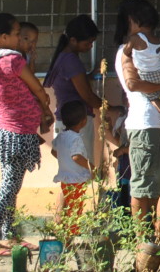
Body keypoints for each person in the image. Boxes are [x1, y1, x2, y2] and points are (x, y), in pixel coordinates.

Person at [0, 14, 54, 257]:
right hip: (16, 134)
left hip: (5, 130)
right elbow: (37, 89)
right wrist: (44, 107)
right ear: (4, 37)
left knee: (12, 187)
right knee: (9, 187)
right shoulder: (11, 60)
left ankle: (8, 235)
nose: (20, 38)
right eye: (17, 33)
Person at [114, 0, 160, 231]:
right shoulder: (126, 50)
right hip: (144, 125)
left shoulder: (159, 45)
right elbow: (133, 84)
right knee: (145, 188)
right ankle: (143, 240)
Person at [43, 15, 102, 161]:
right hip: (76, 121)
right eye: (88, 43)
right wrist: (107, 107)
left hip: (66, 119)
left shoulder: (65, 57)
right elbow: (87, 95)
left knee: (68, 165)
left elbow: (72, 82)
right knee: (80, 164)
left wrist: (89, 76)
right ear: (73, 40)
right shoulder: (71, 60)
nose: (90, 47)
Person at [115, 0, 160, 114]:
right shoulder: (129, 49)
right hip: (145, 119)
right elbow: (133, 84)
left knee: (154, 98)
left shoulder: (132, 47)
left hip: (151, 119)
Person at [51, 100, 94, 234]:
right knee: (76, 204)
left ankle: (60, 225)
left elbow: (53, 151)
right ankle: (72, 230)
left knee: (65, 201)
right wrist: (91, 166)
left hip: (65, 175)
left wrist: (63, 159)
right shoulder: (76, 138)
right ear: (83, 121)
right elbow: (76, 156)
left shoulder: (61, 136)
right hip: (76, 177)